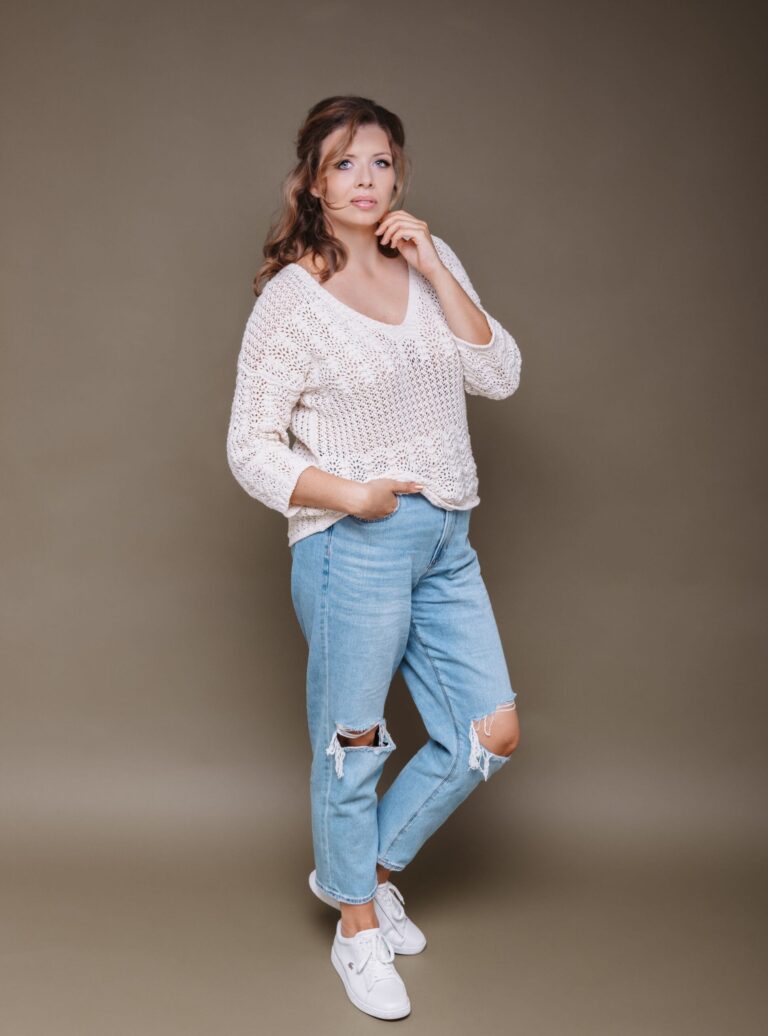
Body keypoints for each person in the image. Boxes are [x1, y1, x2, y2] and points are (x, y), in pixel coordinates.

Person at [226, 95, 523, 1021]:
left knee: (489, 731)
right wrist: (350, 495)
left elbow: (500, 374)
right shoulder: (292, 299)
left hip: (446, 536)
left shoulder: (432, 262)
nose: (366, 180)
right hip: (350, 545)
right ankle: (356, 927)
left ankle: (363, 871)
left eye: (381, 162)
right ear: (313, 183)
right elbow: (249, 447)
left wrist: (433, 265)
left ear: (400, 175)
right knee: (353, 743)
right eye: (345, 164)